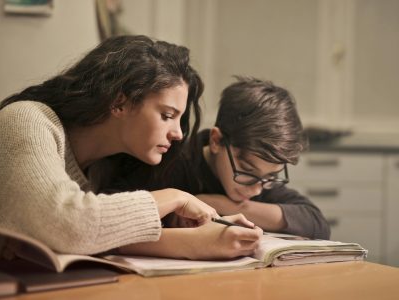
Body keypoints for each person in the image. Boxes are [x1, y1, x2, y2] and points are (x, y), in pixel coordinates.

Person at [0, 35, 262, 259]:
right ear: (119, 103)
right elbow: (70, 226)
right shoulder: (27, 119)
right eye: (167, 115)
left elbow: (97, 236)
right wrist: (175, 197)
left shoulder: (104, 168)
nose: (179, 134)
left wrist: (198, 238)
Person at [113, 76, 331, 240]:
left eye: (271, 177)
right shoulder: (169, 162)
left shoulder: (260, 180)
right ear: (216, 141)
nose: (256, 190)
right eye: (247, 171)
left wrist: (227, 205)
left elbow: (316, 223)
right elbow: (113, 215)